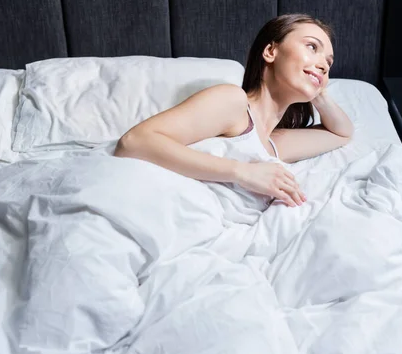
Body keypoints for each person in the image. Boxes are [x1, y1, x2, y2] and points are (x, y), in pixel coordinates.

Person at [114, 14, 354, 209]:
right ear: (271, 51)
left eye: (329, 62)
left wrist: (318, 89)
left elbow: (342, 134)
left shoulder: (274, 145)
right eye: (312, 47)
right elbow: (134, 141)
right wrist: (242, 172)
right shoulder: (234, 103)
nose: (324, 63)